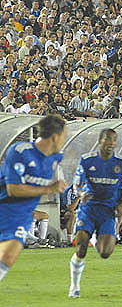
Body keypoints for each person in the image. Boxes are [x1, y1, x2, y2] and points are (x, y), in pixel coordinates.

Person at [69, 129, 122, 298]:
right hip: (88, 209)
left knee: (105, 253)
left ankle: (95, 237)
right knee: (81, 249)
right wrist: (81, 193)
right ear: (100, 141)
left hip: (108, 211)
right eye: (108, 139)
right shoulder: (87, 160)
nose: (111, 143)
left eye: (114, 140)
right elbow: (76, 184)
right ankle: (74, 286)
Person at [0, 114, 67, 282]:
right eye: (64, 137)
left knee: (9, 256)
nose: (65, 141)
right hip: (4, 207)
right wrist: (49, 188)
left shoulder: (55, 157)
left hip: (22, 215)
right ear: (55, 137)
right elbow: (13, 189)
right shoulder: (20, 151)